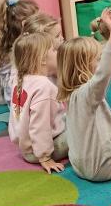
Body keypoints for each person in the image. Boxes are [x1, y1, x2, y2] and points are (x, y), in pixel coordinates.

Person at [57, 8, 111, 181]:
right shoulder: (87, 94)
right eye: (98, 59)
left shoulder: (72, 95)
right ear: (83, 66)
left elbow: (103, 123)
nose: (101, 61)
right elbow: (104, 73)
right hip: (103, 167)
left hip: (79, 166)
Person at [8, 31, 67, 173]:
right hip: (39, 151)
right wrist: (44, 157)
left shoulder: (21, 78)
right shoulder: (44, 87)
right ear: (42, 60)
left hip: (26, 147)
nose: (58, 52)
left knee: (71, 117)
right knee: (83, 128)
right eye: (54, 50)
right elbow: (40, 126)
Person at [0, 0, 39, 103]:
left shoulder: (9, 49)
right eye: (37, 20)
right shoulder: (18, 56)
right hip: (19, 106)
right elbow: (13, 94)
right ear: (25, 25)